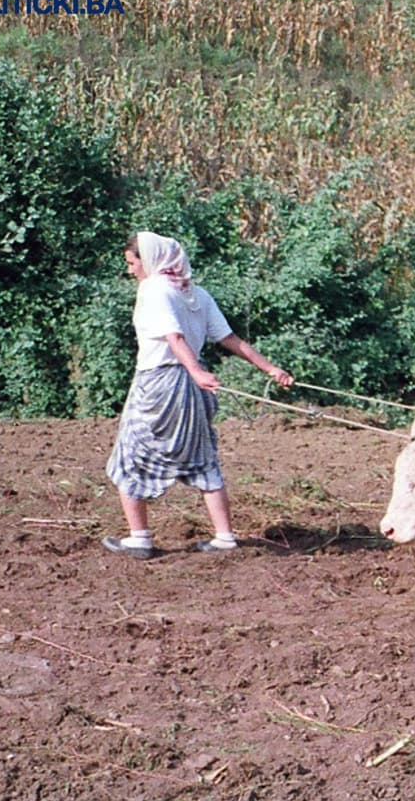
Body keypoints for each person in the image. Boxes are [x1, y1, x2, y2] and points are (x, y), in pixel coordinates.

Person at [103, 231, 293, 559]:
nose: (131, 270)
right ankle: (224, 537)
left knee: (130, 454)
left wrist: (196, 372)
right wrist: (270, 368)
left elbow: (174, 338)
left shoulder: (154, 289)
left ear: (149, 261)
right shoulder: (196, 293)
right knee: (203, 458)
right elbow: (231, 339)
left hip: (160, 385)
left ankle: (139, 538)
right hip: (193, 389)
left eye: (133, 263)